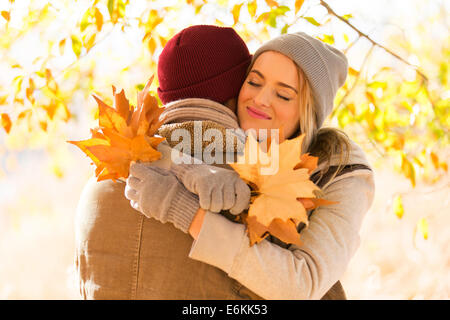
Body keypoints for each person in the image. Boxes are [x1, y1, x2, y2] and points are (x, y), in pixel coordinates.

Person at [125, 31, 375, 299]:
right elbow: (167, 139)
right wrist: (182, 168)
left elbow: (301, 284)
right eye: (254, 82)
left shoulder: (342, 169)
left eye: (283, 95)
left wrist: (184, 210)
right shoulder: (228, 143)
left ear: (307, 113)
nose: (260, 99)